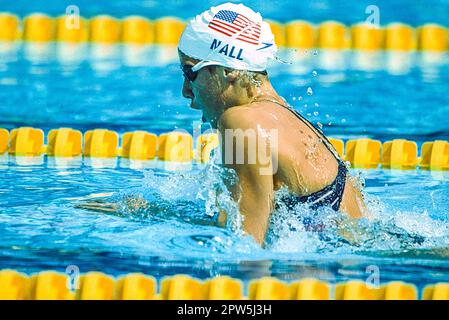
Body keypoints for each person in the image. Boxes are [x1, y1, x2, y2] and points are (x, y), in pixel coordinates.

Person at [178, 2, 369, 245]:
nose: (186, 91)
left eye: (189, 74)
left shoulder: (241, 122)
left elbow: (242, 247)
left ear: (228, 71)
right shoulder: (289, 120)